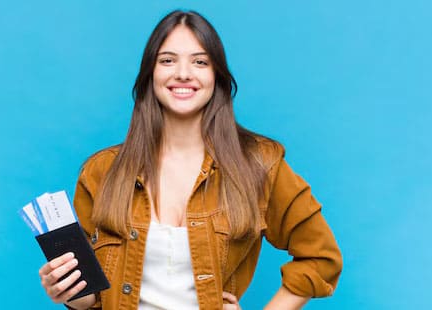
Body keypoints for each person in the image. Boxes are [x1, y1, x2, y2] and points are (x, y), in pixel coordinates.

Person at [38, 10, 342, 310]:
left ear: (216, 76)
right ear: (150, 74)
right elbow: (92, 303)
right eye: (168, 60)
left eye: (200, 62)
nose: (183, 73)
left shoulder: (260, 164)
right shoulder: (101, 172)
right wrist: (67, 290)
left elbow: (321, 257)